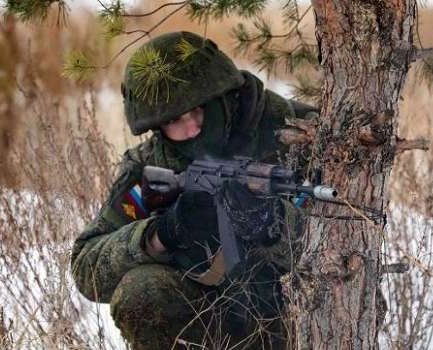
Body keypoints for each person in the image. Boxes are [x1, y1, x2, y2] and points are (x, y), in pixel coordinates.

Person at [70, 31, 317, 350]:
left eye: (198, 110)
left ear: (222, 94)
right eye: (174, 120)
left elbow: (347, 247)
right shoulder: (154, 162)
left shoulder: (299, 131)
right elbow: (87, 270)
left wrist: (274, 224)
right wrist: (160, 235)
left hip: (293, 316)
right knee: (141, 292)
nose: (191, 129)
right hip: (206, 320)